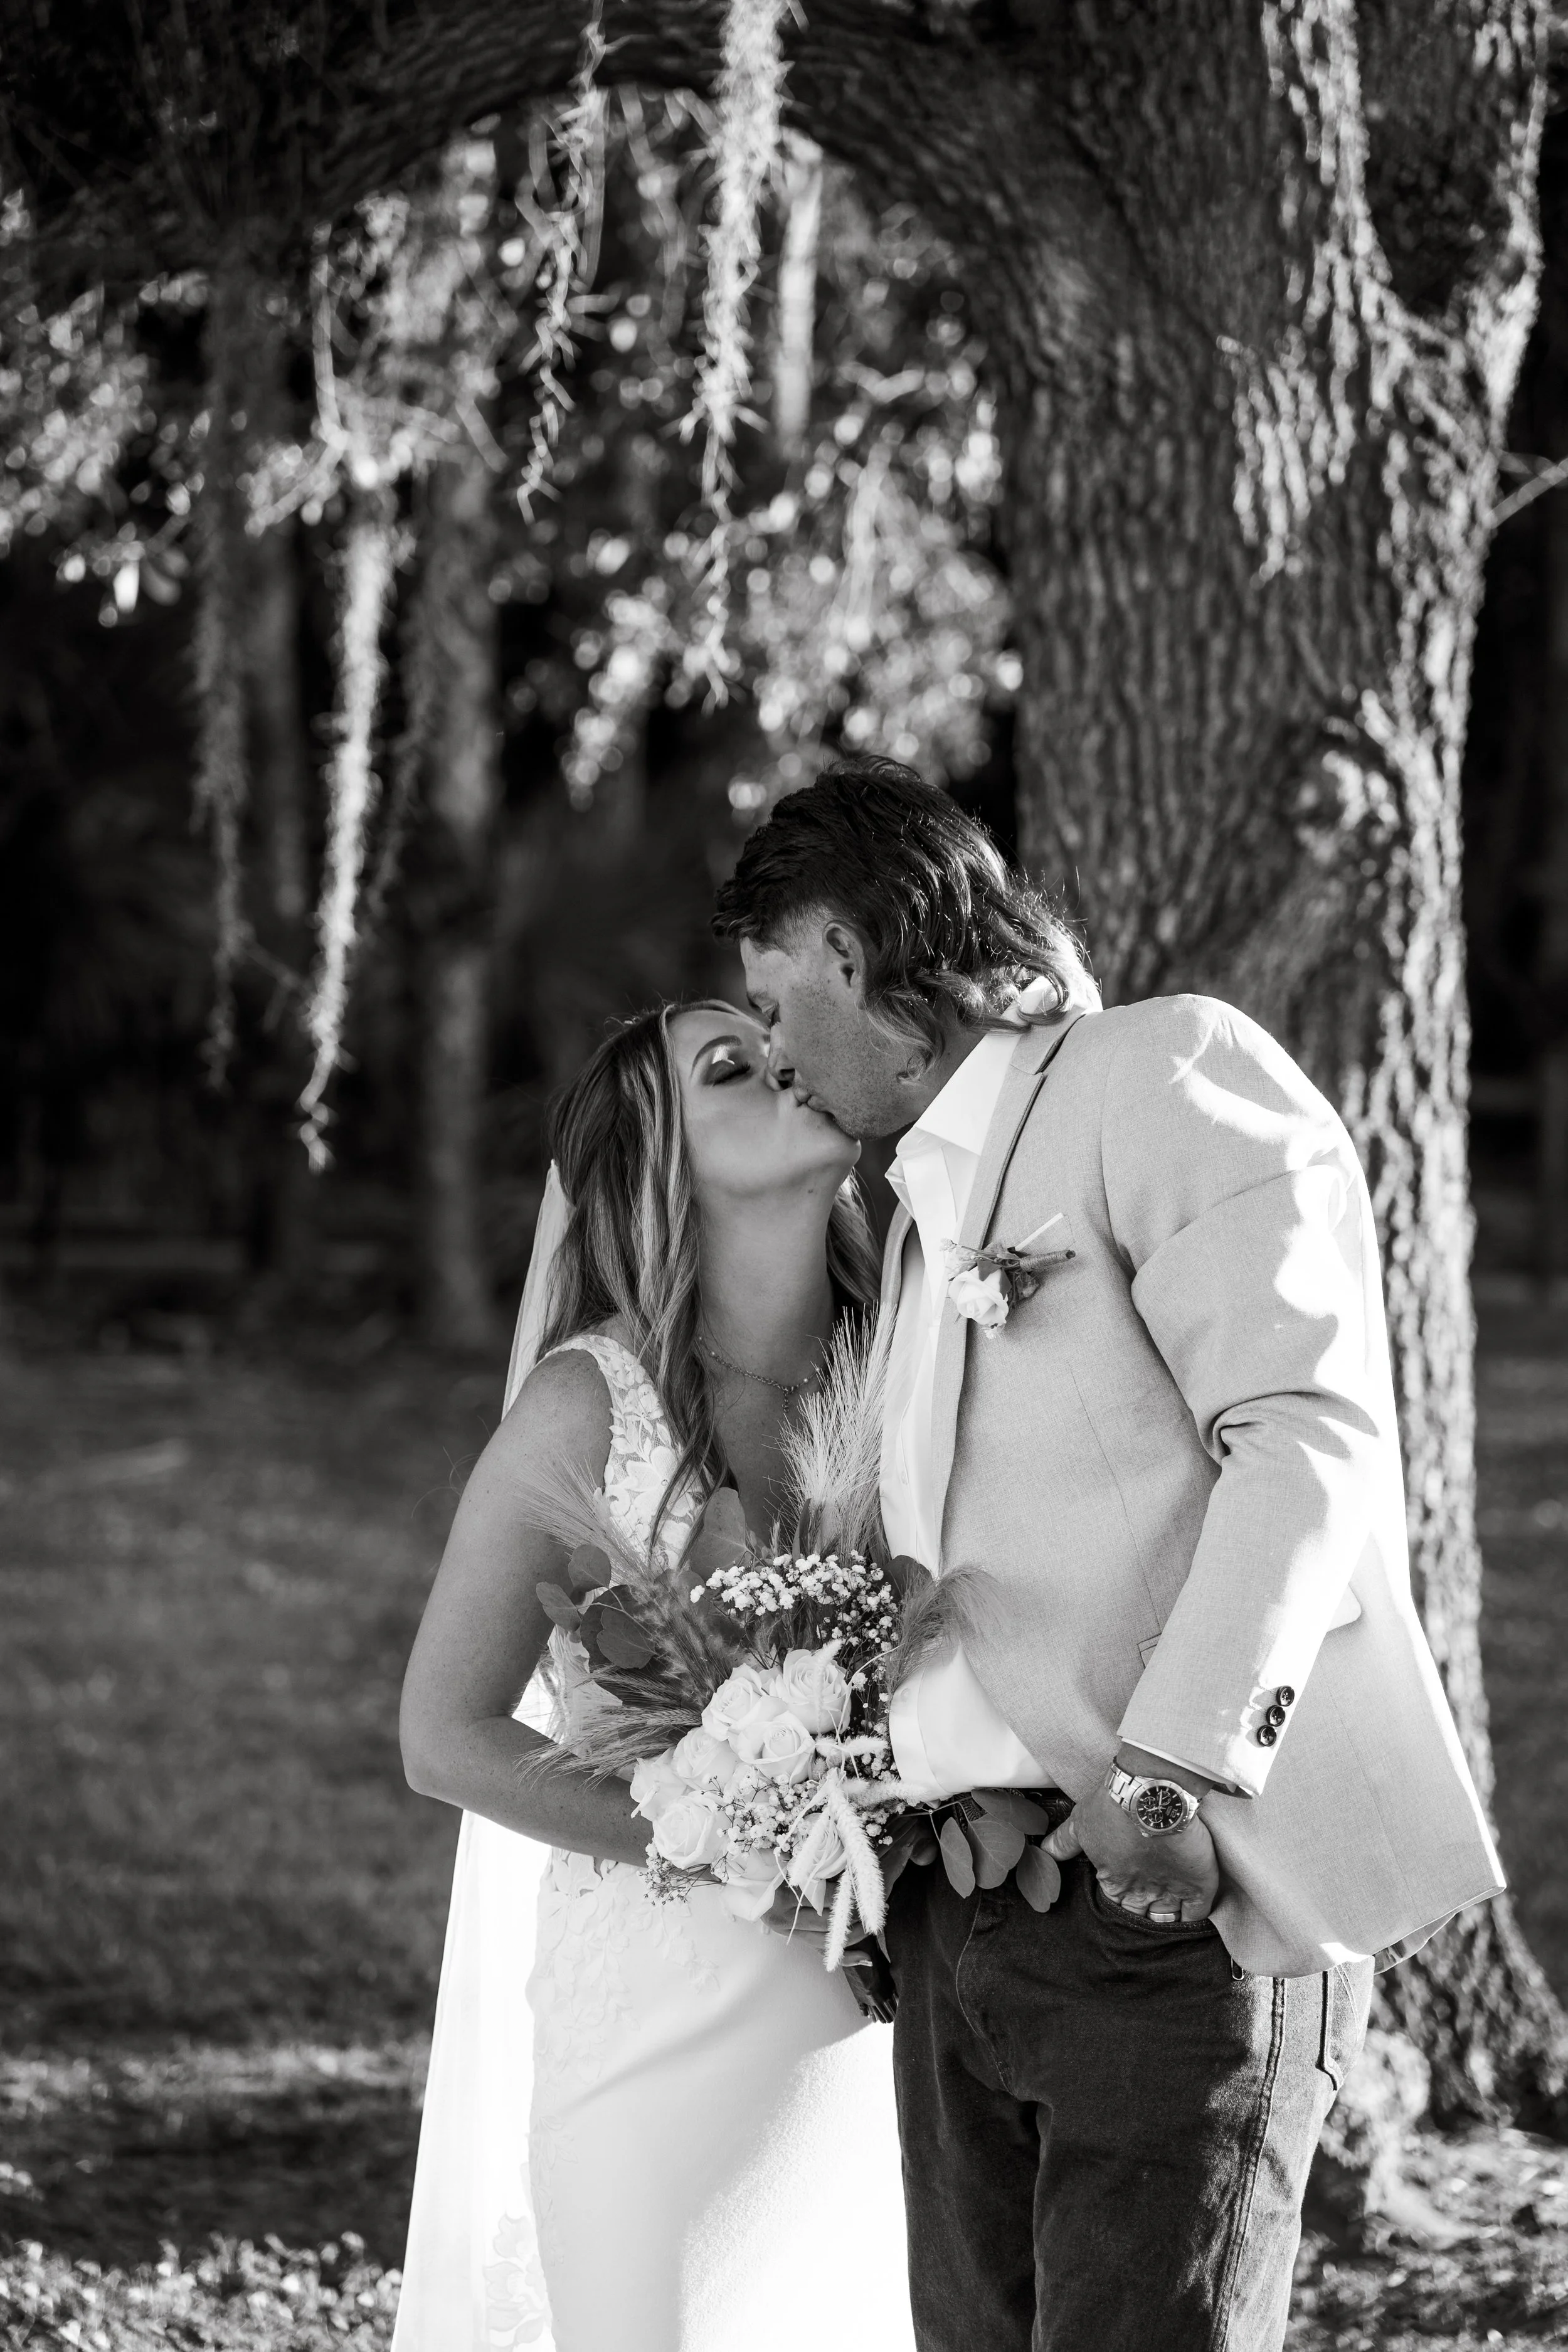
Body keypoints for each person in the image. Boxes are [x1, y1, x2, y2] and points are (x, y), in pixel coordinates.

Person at [714, 757, 1505, 2352]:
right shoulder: (919, 1215)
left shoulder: (1157, 1074)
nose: (775, 1057)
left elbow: (1304, 1438)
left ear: (850, 958)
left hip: (1158, 1915)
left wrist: (1168, 1780)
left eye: (772, 999)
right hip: (959, 1928)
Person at [393, 1002, 916, 2352]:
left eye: (780, 1036)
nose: (787, 1060)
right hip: (649, 2016)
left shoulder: (919, 1366)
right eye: (728, 1069)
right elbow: (443, 1736)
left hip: (885, 2008)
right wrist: (730, 1832)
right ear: (654, 1162)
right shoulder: (587, 1409)